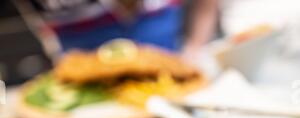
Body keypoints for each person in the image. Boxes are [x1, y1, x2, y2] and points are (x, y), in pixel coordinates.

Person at [15, 0, 219, 60]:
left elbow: (206, 6)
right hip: (85, 95)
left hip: (167, 68)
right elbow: (35, 17)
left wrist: (195, 48)